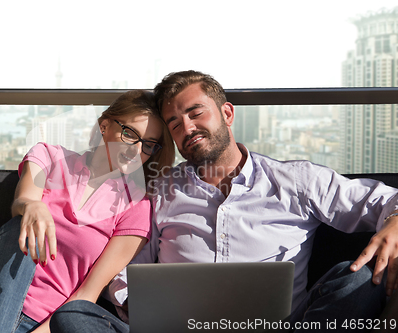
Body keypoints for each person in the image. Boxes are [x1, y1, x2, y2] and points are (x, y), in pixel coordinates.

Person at [49, 71, 398, 333]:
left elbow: (387, 200)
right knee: (73, 316)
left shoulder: (298, 181)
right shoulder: (160, 190)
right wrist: (143, 308)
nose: (187, 127)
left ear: (227, 113)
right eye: (174, 122)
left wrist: (394, 223)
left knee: (358, 279)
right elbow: (127, 273)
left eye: (196, 113)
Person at [0, 89, 175, 333]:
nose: (136, 150)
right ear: (104, 126)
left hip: (41, 326)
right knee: (21, 223)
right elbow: (21, 201)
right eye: (130, 134)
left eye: (148, 144)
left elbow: (87, 294)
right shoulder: (49, 156)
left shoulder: (136, 208)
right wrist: (31, 205)